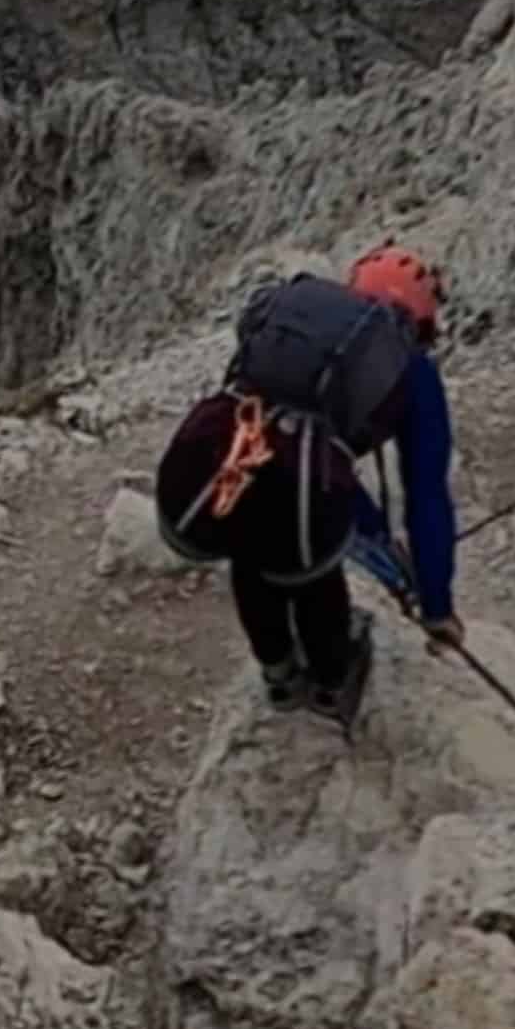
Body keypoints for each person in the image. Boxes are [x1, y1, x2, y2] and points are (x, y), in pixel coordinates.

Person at [152, 243, 462, 730]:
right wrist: (437, 604)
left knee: (250, 546)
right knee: (310, 565)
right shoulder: (411, 371)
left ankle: (278, 673)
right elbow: (426, 495)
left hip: (233, 464)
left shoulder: (301, 325)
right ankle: (331, 683)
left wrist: (374, 535)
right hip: (304, 486)